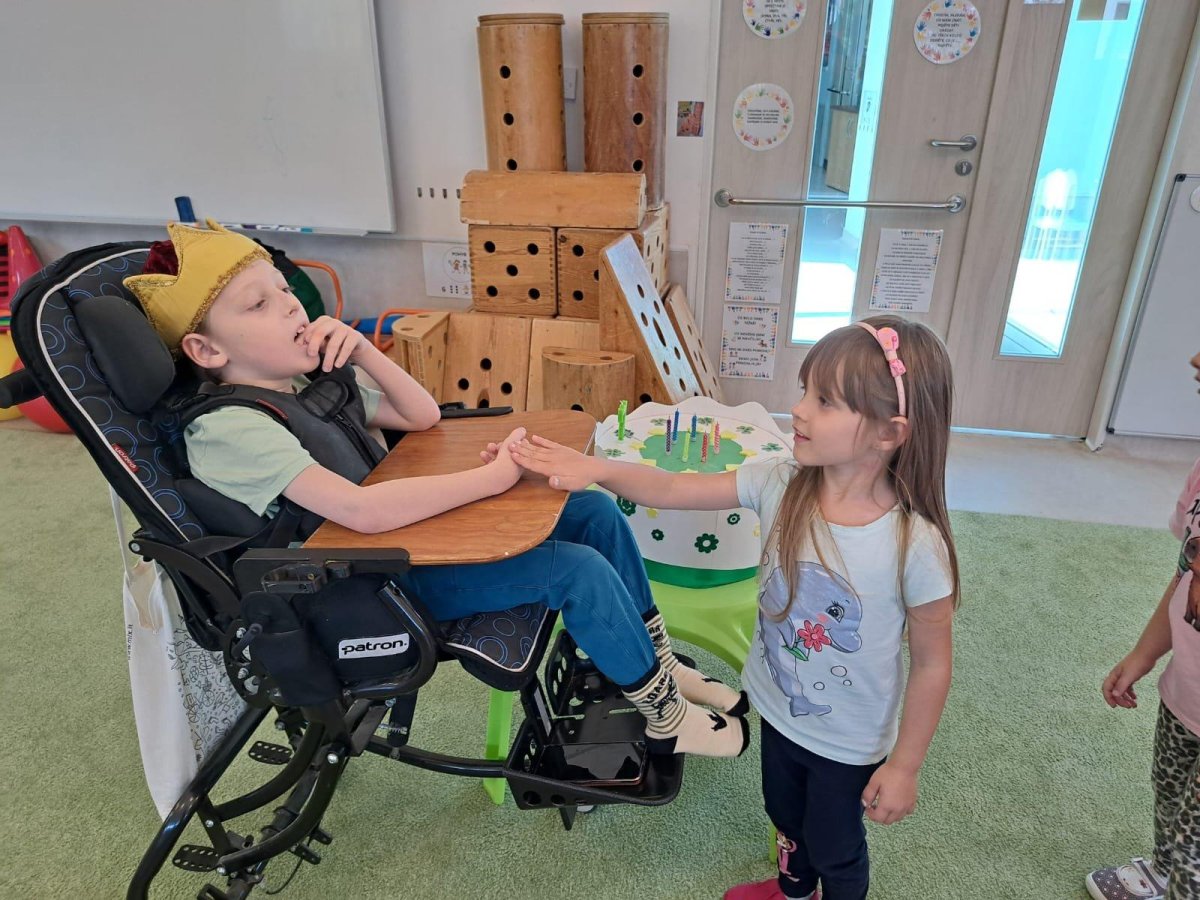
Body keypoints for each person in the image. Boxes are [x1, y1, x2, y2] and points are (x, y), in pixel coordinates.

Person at [122, 219, 750, 759]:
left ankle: (658, 666)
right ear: (205, 349)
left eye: (284, 290)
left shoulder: (303, 390)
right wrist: (489, 480)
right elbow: (360, 512)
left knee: (591, 512)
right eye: (258, 304)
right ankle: (666, 719)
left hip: (405, 549)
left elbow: (421, 417)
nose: (290, 306)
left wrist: (364, 351)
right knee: (577, 570)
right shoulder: (230, 428)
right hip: (366, 588)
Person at [509, 316, 959, 900]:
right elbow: (673, 489)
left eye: (824, 401)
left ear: (888, 433)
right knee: (784, 815)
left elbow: (932, 665)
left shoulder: (915, 545)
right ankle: (794, 891)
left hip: (849, 741)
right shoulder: (780, 481)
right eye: (805, 390)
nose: (798, 410)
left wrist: (905, 766)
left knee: (835, 846)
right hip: (776, 704)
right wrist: (596, 470)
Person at [1086, 351, 1200, 900]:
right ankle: (1162, 869)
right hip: (1186, 692)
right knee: (1169, 787)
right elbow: (1185, 573)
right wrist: (1145, 653)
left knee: (1196, 843)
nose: (1194, 359)